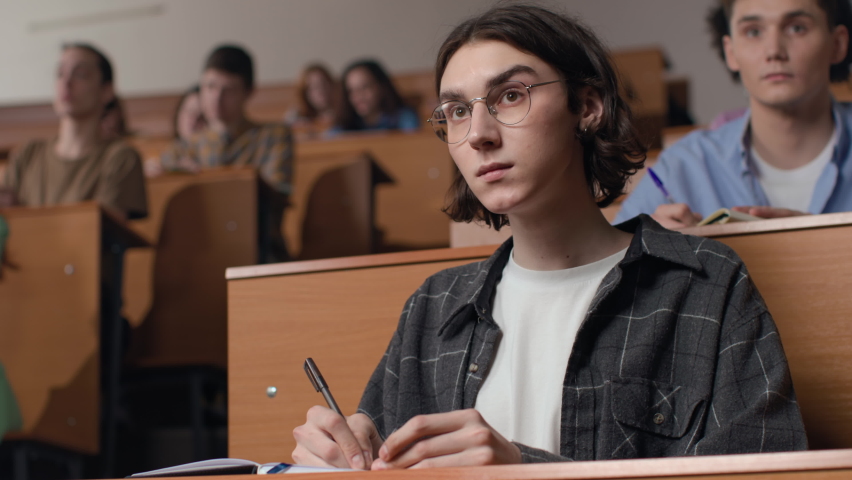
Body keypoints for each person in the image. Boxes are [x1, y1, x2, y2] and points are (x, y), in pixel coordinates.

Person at [291, 4, 806, 470]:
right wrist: (344, 454)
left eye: (510, 96)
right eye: (458, 111)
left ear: (587, 106)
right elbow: (374, 453)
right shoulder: (431, 307)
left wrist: (527, 469)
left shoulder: (707, 285)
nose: (479, 134)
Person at [616, 0, 852, 228]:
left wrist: (820, 241)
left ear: (838, 44)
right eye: (753, 32)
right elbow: (611, 264)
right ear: (731, 52)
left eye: (797, 28)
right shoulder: (683, 167)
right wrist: (649, 251)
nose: (774, 51)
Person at [0, 43, 147, 220]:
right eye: (60, 74)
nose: (66, 82)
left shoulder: (121, 158)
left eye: (81, 75)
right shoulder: (28, 153)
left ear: (106, 91)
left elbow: (99, 234)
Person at [158, 45, 294, 196]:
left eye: (228, 90)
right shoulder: (183, 147)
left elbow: (278, 194)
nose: (216, 98)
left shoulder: (272, 137)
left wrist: (204, 179)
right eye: (210, 86)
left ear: (248, 92)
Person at [334, 59, 420, 132]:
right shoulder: (345, 124)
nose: (358, 96)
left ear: (382, 87)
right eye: (351, 91)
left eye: (365, 87)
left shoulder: (404, 117)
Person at [147, 85, 207, 176]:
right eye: (190, 112)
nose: (193, 121)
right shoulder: (166, 152)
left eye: (201, 116)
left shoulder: (216, 156)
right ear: (178, 114)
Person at [284, 64, 338, 135]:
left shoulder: (344, 113)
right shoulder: (297, 115)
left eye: (323, 84)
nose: (320, 91)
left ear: (331, 85)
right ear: (304, 93)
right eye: (313, 87)